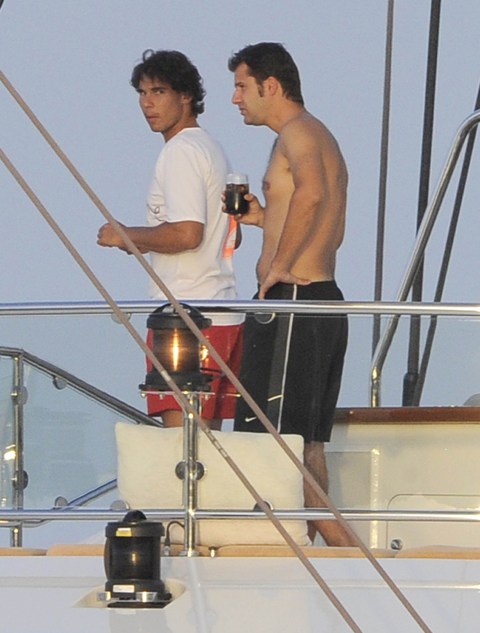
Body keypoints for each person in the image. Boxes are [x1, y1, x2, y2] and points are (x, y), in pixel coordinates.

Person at [228, 42, 353, 546]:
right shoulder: (319, 133)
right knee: (307, 443)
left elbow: (313, 194)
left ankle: (347, 553)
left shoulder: (297, 132)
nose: (236, 99)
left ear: (271, 86)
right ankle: (329, 557)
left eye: (242, 86)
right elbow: (314, 207)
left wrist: (278, 266)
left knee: (275, 442)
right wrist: (263, 219)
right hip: (320, 298)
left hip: (294, 302)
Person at [97, 49, 243, 429]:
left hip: (186, 318)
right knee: (207, 444)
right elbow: (229, 234)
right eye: (142, 93)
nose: (148, 103)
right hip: (220, 312)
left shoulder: (181, 151)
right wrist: (146, 240)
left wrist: (125, 236)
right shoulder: (210, 148)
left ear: (186, 96)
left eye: (159, 92)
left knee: (182, 446)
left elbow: (188, 233)